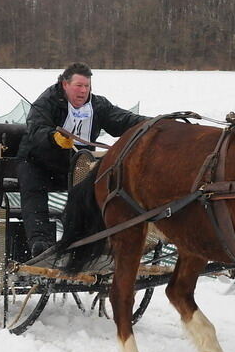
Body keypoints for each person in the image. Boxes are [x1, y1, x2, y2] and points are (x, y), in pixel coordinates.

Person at [17, 63, 148, 256]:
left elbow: (123, 120)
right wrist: (53, 138)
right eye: (78, 86)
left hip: (77, 164)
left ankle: (83, 242)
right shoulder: (47, 102)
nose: (84, 91)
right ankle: (40, 243)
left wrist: (152, 123)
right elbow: (36, 129)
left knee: (95, 192)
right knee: (33, 190)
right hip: (37, 161)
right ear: (65, 84)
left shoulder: (98, 105)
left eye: (87, 86)